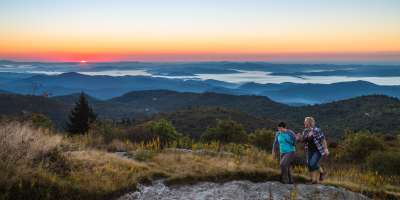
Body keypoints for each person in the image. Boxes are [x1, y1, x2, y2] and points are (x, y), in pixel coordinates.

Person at [301, 117, 329, 184]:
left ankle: (321, 174)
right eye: (304, 121)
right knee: (309, 165)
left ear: (309, 123)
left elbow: (323, 140)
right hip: (309, 150)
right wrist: (301, 137)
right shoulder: (305, 131)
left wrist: (326, 149)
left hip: (318, 150)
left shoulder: (317, 130)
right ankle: (313, 180)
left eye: (305, 121)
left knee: (312, 163)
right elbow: (303, 140)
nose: (304, 123)